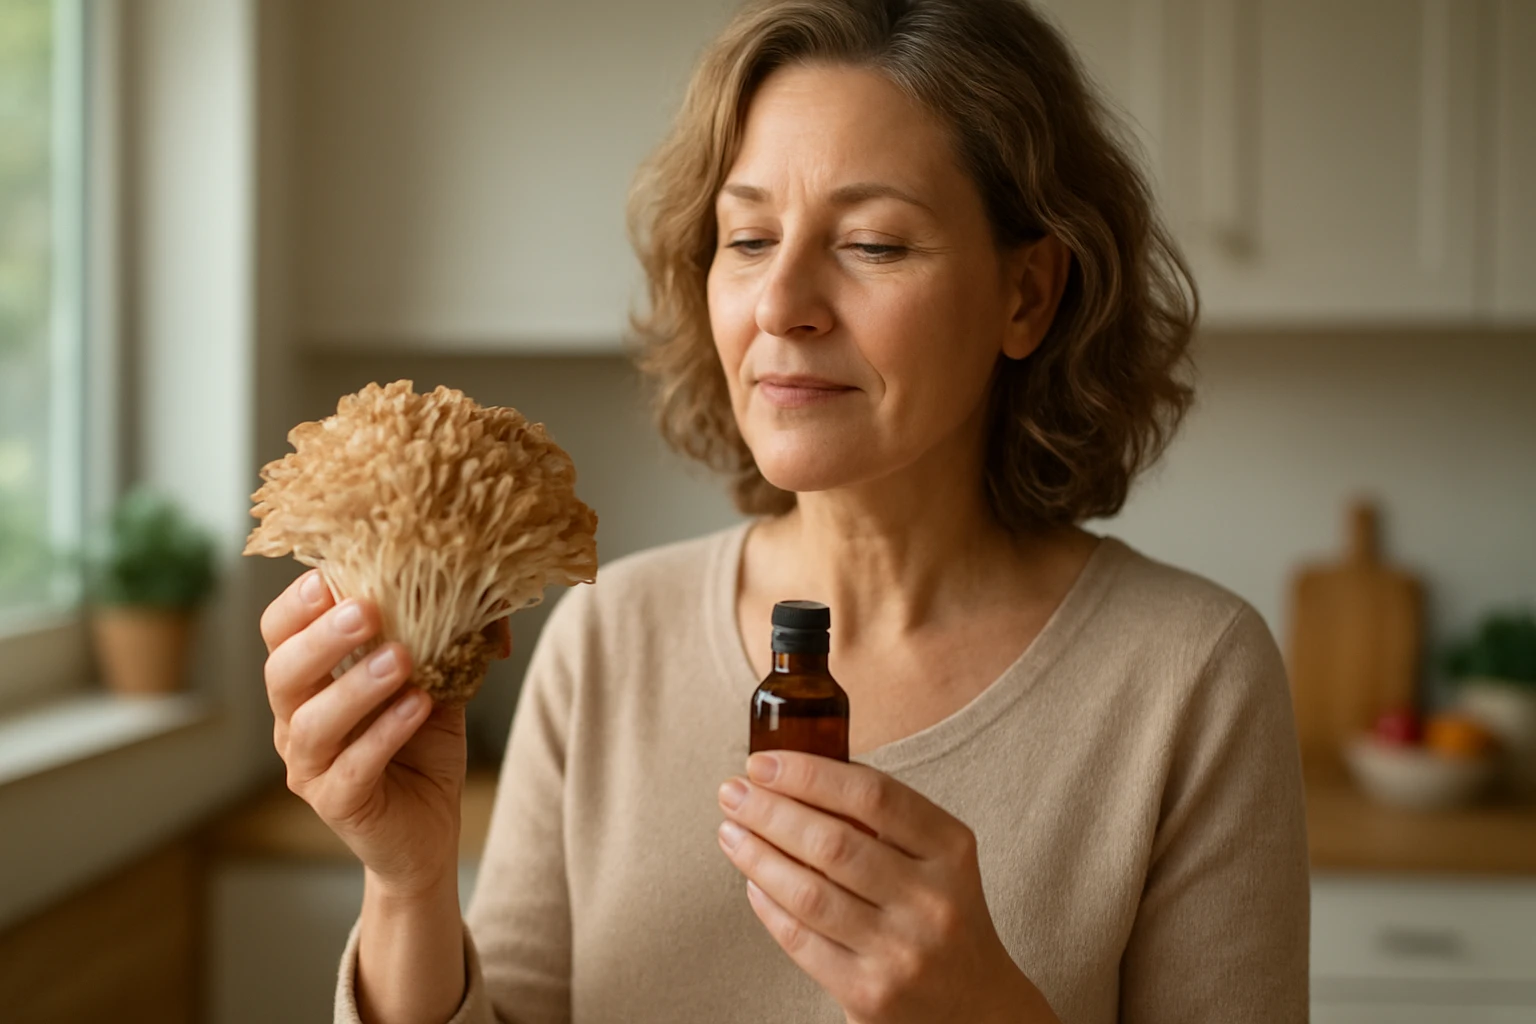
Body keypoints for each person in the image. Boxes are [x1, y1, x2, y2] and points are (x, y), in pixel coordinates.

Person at [259, 1, 1309, 1021]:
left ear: (1027, 294)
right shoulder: (606, 639)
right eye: (750, 238)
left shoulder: (1193, 678)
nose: (780, 304)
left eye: (874, 244)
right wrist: (407, 883)